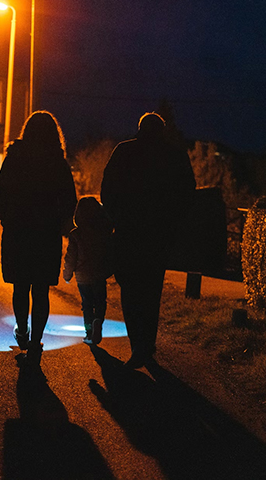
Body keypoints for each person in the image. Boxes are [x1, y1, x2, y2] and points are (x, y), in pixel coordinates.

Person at [101, 112, 195, 368]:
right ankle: (147, 344)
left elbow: (107, 189)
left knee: (130, 291)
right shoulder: (174, 156)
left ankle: (137, 345)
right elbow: (187, 193)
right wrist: (173, 225)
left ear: (140, 128)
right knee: (152, 291)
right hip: (159, 237)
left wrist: (116, 218)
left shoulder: (124, 152)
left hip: (128, 234)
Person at [0, 111, 78, 365]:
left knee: (20, 286)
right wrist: (63, 227)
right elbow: (70, 201)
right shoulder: (58, 162)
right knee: (41, 291)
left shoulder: (14, 158)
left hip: (18, 232)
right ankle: (36, 341)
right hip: (46, 235)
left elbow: (0, 194)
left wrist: (7, 219)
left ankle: (22, 329)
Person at [63, 196, 113, 345]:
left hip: (82, 276)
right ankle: (98, 321)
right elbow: (109, 253)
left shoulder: (75, 234)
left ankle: (89, 331)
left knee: (86, 304)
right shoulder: (104, 233)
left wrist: (67, 274)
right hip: (99, 274)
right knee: (100, 302)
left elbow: (70, 257)